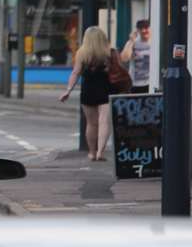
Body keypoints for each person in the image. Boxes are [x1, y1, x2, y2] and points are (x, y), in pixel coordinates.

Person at [60, 26, 115, 161]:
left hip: (88, 91)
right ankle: (100, 151)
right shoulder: (109, 53)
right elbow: (118, 71)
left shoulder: (81, 53)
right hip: (106, 90)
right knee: (104, 122)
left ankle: (91, 152)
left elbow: (75, 73)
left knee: (91, 123)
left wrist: (68, 90)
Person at [120, 20, 152, 93]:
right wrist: (131, 41)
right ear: (137, 30)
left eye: (146, 28)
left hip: (151, 82)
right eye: (141, 29)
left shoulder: (155, 41)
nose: (144, 31)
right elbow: (124, 58)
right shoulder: (133, 42)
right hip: (136, 84)